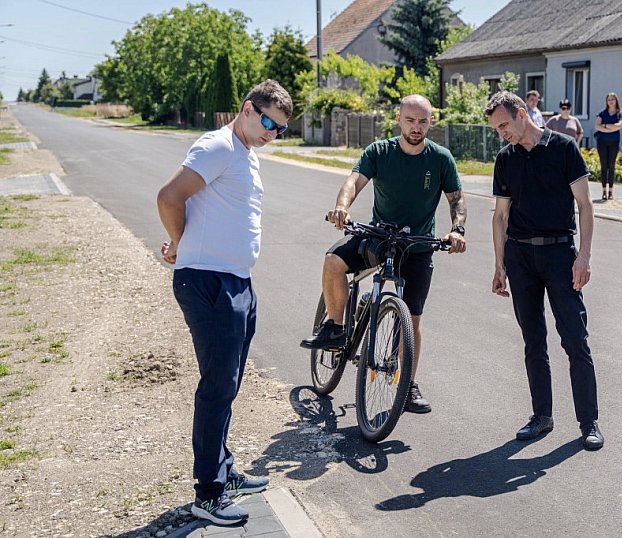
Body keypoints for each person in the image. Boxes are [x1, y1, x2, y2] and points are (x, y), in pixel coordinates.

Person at [157, 80, 293, 525]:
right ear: (248, 109)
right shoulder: (218, 146)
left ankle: (224, 470)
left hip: (236, 281)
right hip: (209, 281)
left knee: (228, 383)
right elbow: (169, 196)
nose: (273, 132)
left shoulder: (245, 153)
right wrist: (180, 243)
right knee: (217, 387)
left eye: (281, 129)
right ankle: (208, 494)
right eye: (269, 122)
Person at [300, 94, 467, 414]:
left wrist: (457, 230)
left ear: (431, 121)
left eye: (422, 121)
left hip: (418, 245)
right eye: (410, 120)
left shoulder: (441, 158)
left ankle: (407, 386)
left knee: (412, 319)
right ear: (398, 120)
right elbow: (353, 182)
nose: (416, 127)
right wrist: (341, 207)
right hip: (378, 236)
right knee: (333, 261)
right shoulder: (379, 151)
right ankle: (335, 327)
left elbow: (456, 200)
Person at [484, 91, 603, 451]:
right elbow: (500, 216)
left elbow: (584, 206)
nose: (501, 133)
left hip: (559, 255)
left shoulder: (564, 148)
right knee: (533, 341)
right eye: (496, 129)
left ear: (522, 113)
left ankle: (589, 421)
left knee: (574, 339)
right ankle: (542, 417)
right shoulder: (505, 159)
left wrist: (583, 256)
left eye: (504, 125)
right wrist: (499, 264)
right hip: (521, 258)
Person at [594, 92, 622, 201]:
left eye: (613, 99)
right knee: (604, 166)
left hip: (614, 142)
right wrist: (610, 128)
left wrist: (606, 125)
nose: (611, 101)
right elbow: (597, 126)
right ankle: (603, 191)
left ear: (616, 101)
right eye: (609, 99)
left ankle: (611, 191)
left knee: (611, 166)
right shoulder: (602, 113)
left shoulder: (619, 114)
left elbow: (619, 126)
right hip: (602, 142)